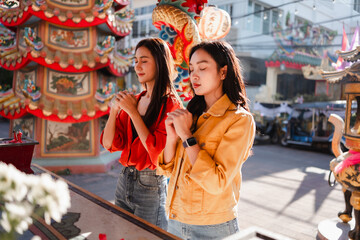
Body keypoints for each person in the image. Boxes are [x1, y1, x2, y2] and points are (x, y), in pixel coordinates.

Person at [157, 41, 255, 239]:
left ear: (223, 72)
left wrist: (187, 136)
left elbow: (216, 183)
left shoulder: (239, 120)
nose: (194, 75)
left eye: (202, 67)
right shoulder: (191, 115)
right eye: (191, 69)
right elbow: (165, 169)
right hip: (176, 220)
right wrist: (172, 137)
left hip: (212, 228)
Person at [100, 38, 181, 230]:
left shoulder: (171, 105)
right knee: (121, 233)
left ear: (160, 63)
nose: (137, 66)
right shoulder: (135, 100)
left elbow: (157, 155)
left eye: (144, 60)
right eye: (135, 61)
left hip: (150, 183)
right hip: (124, 179)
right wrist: (114, 111)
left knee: (146, 236)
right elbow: (109, 144)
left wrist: (133, 113)